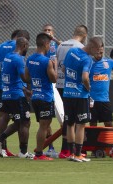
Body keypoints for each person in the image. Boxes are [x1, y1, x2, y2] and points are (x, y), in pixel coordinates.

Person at [0, 30, 30, 157]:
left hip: (0, 87)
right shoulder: (18, 53)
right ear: (23, 41)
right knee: (17, 119)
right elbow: (22, 76)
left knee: (7, 117)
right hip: (11, 91)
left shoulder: (2, 48)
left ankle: (0, 144)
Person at [63, 37, 103, 162]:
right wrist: (88, 87)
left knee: (70, 124)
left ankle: (71, 153)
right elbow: (85, 77)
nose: (97, 54)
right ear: (92, 47)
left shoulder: (72, 51)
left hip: (67, 93)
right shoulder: (87, 59)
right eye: (97, 51)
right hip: (80, 95)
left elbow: (64, 69)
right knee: (81, 125)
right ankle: (78, 154)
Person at [56, 25, 88, 159]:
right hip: (74, 86)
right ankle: (72, 150)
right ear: (85, 36)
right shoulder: (80, 48)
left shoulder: (61, 45)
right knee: (77, 120)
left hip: (60, 84)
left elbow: (59, 65)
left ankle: (66, 149)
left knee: (68, 118)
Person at [25, 33, 57, 160]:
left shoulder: (30, 59)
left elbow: (26, 77)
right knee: (44, 126)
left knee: (43, 126)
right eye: (49, 44)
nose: (50, 46)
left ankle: (43, 151)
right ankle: (39, 154)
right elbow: (54, 79)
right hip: (45, 97)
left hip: (35, 96)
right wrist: (54, 66)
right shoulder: (47, 61)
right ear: (45, 44)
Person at [89, 45, 113, 127]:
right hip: (91, 99)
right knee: (93, 124)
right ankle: (93, 140)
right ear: (93, 51)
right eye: (97, 52)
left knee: (109, 123)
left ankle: (108, 140)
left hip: (104, 99)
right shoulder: (88, 62)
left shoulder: (109, 62)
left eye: (101, 52)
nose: (99, 55)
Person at [42, 23, 61, 157]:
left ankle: (69, 146)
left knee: (62, 115)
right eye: (45, 30)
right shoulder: (42, 47)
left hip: (57, 82)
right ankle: (50, 146)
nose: (48, 32)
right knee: (47, 118)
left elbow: (64, 45)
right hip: (46, 82)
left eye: (49, 30)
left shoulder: (57, 45)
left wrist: (54, 39)